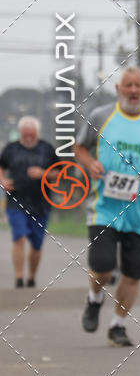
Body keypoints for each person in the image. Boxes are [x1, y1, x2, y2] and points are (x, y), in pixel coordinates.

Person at [75, 67, 140, 347]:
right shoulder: (100, 116)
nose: (133, 90)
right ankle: (95, 298)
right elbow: (80, 148)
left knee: (133, 276)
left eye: (138, 86)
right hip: (105, 208)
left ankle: (117, 325)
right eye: (127, 85)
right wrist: (90, 163)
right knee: (103, 269)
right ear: (119, 89)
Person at [0, 116, 59, 288]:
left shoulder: (47, 149)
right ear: (20, 133)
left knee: (36, 243)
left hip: (41, 203)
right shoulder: (10, 149)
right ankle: (19, 278)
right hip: (16, 201)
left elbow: (59, 173)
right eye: (25, 134)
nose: (28, 137)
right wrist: (3, 180)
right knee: (19, 237)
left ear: (37, 134)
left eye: (31, 134)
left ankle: (31, 276)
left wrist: (44, 173)